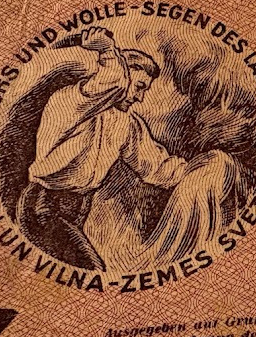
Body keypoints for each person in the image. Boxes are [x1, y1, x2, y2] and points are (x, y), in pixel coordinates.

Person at [17, 27, 189, 270]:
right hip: (43, 207)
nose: (140, 97)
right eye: (139, 86)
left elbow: (156, 166)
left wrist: (197, 172)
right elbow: (113, 81)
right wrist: (107, 50)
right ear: (124, 76)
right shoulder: (73, 101)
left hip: (78, 211)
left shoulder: (127, 123)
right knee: (93, 271)